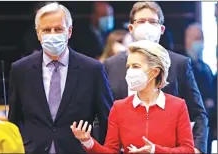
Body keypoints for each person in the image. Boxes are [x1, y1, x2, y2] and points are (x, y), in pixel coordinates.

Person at [8, 2, 113, 154]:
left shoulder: (92, 69)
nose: (52, 34)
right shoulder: (21, 70)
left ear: (69, 31)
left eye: (58, 29)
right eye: (46, 30)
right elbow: (15, 120)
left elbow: (106, 119)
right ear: (38, 33)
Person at [103, 2, 208, 153]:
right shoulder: (111, 65)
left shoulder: (179, 63)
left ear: (162, 29)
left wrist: (197, 149)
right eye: (141, 21)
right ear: (131, 28)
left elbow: (198, 113)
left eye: (152, 22)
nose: (147, 26)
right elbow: (101, 114)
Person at [71, 40, 195, 153]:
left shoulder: (178, 106)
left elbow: (188, 150)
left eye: (136, 66)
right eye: (128, 67)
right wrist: (89, 142)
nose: (130, 72)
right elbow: (111, 151)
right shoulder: (119, 107)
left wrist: (154, 150)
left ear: (155, 71)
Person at [184, 22, 214, 114]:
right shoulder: (182, 65)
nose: (200, 42)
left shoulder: (206, 68)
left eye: (202, 39)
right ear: (187, 40)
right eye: (197, 38)